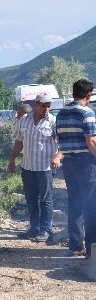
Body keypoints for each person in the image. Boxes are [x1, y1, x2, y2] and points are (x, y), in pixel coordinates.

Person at [54, 79, 96, 258]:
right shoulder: (87, 113)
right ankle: (92, 250)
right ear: (89, 94)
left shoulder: (61, 114)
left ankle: (76, 247)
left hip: (69, 164)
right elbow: (91, 141)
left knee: (75, 204)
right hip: (86, 163)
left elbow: (59, 140)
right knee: (90, 205)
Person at [7, 94, 58, 242]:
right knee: (31, 199)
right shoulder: (24, 119)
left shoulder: (53, 122)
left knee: (45, 199)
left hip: (45, 168)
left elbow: (62, 144)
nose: (46, 109)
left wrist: (57, 157)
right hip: (28, 167)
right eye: (43, 106)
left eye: (49, 106)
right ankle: (34, 228)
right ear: (36, 105)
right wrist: (11, 159)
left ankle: (46, 230)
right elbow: (19, 141)